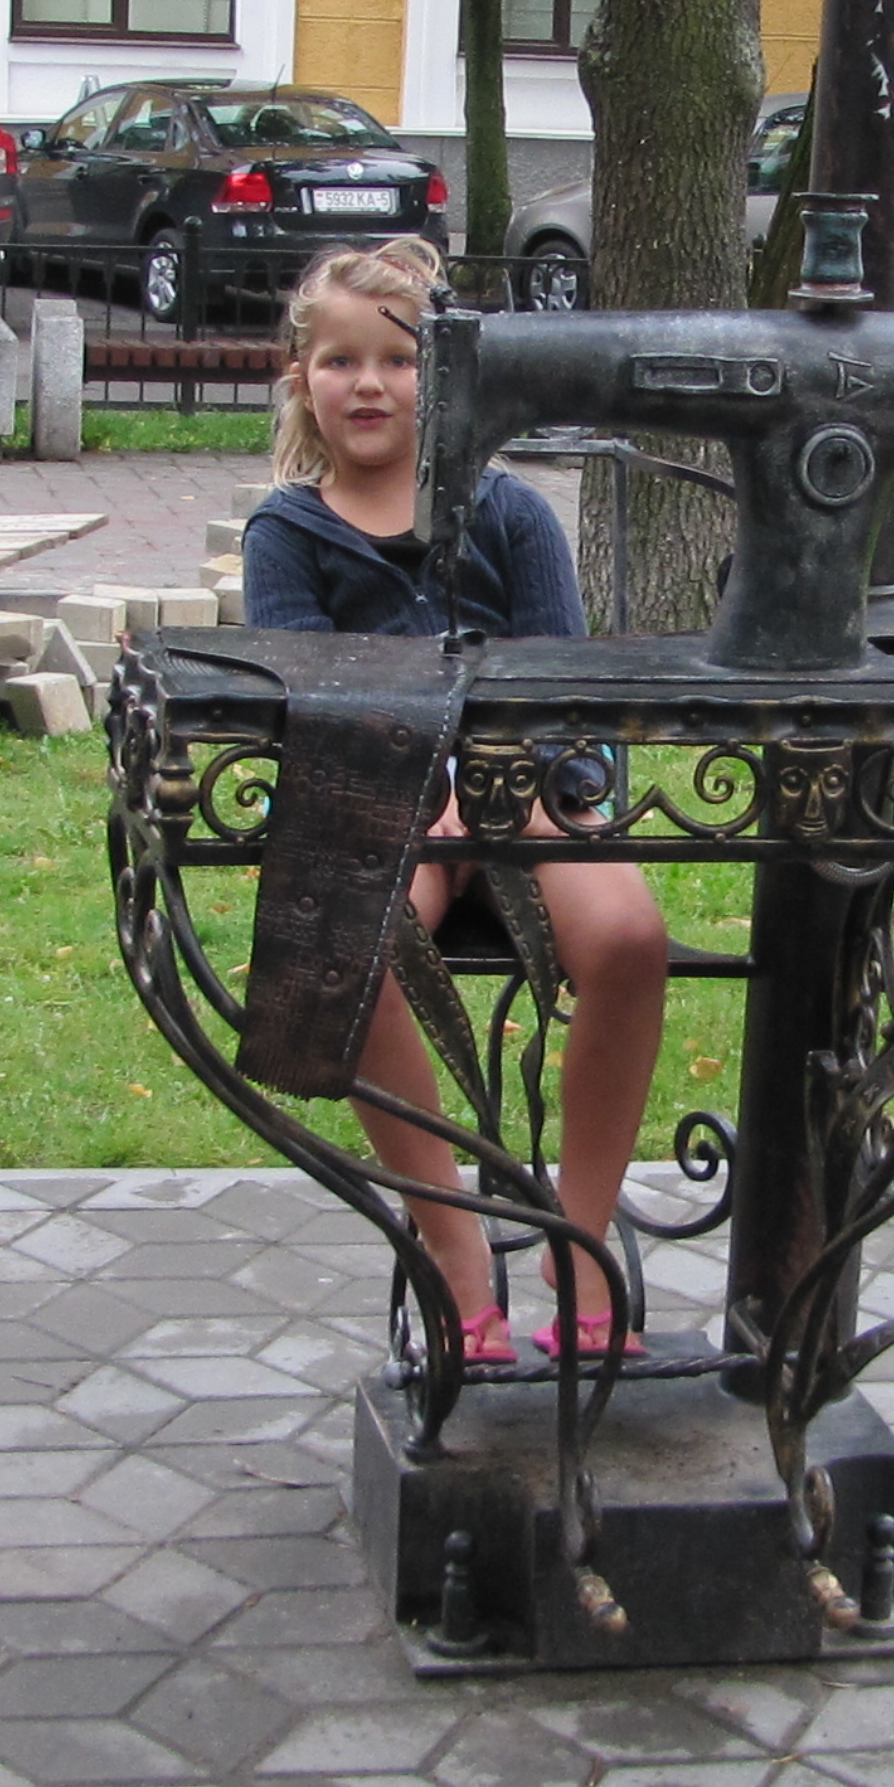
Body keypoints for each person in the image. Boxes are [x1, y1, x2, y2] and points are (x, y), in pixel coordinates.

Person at [240, 236, 672, 1368]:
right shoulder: (289, 535)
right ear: (303, 380)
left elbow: (567, 696)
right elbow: (308, 715)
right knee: (359, 950)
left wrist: (515, 793)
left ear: (448, 380)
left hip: (526, 793)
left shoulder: (510, 517)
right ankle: (454, 1248)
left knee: (630, 936)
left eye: (397, 358)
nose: (370, 384)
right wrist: (421, 794)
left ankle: (579, 1241)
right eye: (341, 361)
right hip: (387, 804)